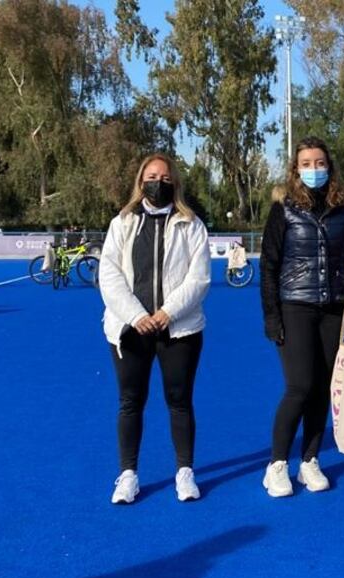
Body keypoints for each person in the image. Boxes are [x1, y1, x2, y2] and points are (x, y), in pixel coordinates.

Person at [99, 153, 211, 505]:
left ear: (174, 183)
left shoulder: (191, 224)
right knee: (130, 402)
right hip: (130, 329)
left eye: (164, 177)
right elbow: (110, 274)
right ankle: (128, 474)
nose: (157, 182)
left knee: (179, 402)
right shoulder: (123, 222)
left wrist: (167, 313)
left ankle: (184, 472)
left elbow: (200, 277)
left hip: (179, 329)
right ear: (140, 180)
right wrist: (136, 315)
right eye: (151, 176)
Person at [260, 136, 344, 498]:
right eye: (306, 163)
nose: (314, 169)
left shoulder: (343, 210)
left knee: (322, 388)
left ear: (329, 167)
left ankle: (310, 460)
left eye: (320, 163)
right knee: (299, 386)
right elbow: (269, 266)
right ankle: (276, 465)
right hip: (295, 305)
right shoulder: (283, 209)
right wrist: (272, 317)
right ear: (295, 168)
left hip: (333, 307)